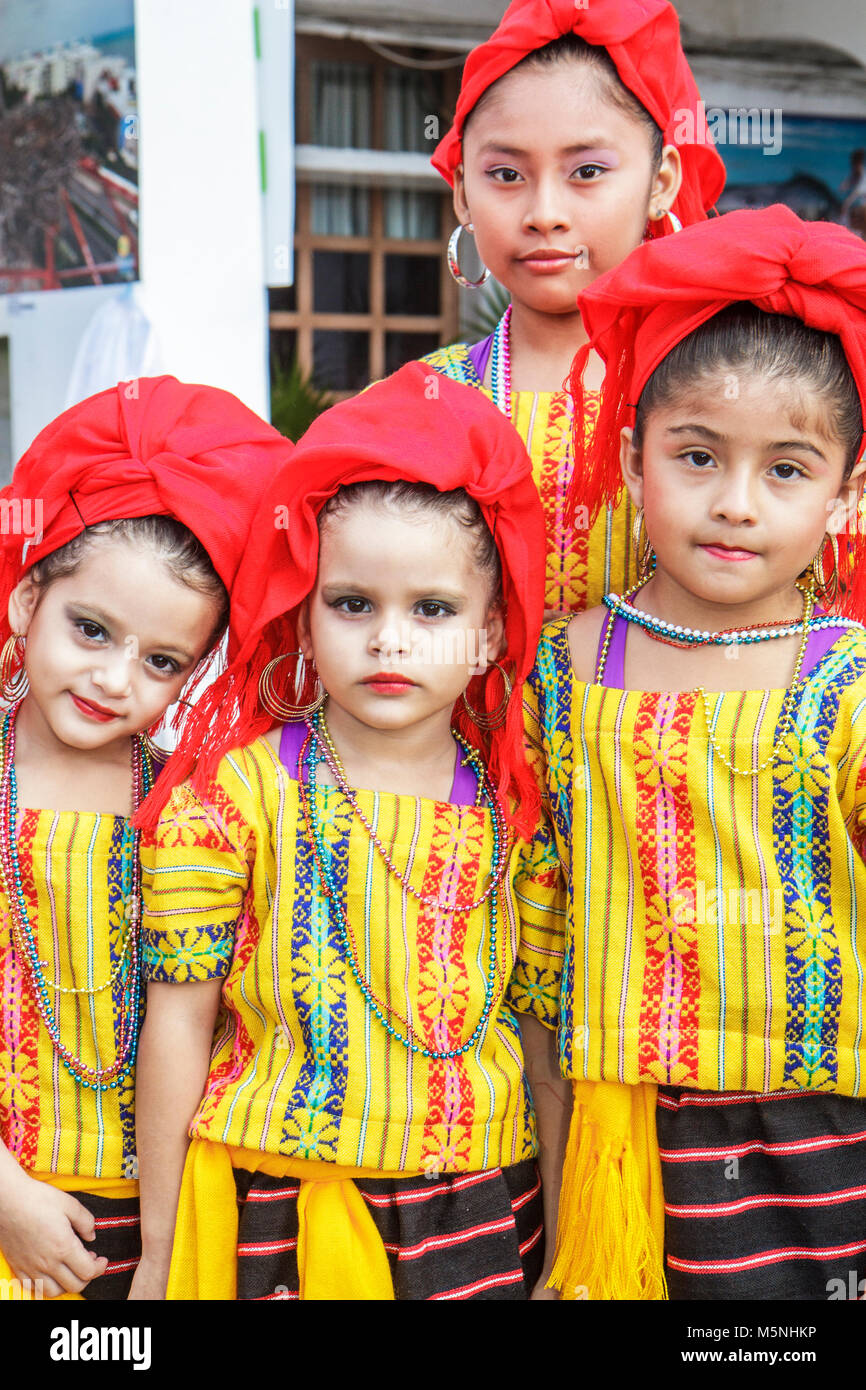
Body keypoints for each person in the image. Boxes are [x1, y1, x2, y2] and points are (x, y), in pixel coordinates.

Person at [130, 362, 569, 1302]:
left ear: (492, 632)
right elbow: (179, 1019)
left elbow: (540, 1032)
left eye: (433, 610)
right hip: (272, 1213)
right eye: (354, 603)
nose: (389, 640)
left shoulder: (514, 812)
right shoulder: (235, 795)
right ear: (304, 608)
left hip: (480, 1210)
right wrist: (162, 1259)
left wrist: (565, 1248)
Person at [524, 205, 866, 1299]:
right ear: (631, 461)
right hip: (610, 1131)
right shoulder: (562, 671)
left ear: (846, 493)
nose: (732, 503)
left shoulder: (849, 684)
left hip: (824, 1137)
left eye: (785, 470)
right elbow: (529, 917)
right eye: (695, 455)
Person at [0, 376, 292, 1300]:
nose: (113, 677)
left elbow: (197, 1020)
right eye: (90, 628)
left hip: (148, 1215)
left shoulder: (187, 805)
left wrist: (165, 1259)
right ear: (25, 601)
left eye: (160, 660)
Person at [424, 0, 725, 616]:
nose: (544, 212)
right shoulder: (421, 402)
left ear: (661, 181)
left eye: (587, 170)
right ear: (462, 192)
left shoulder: (731, 393)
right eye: (505, 174)